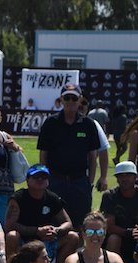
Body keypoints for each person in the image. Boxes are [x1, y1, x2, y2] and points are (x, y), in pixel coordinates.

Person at [37, 83, 102, 229]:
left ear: (80, 100)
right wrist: (46, 178)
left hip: (80, 182)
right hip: (55, 180)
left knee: (80, 223)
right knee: (52, 221)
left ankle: (78, 251)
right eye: (67, 98)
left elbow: (93, 156)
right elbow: (43, 154)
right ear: (61, 99)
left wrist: (89, 182)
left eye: (74, 98)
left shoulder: (88, 124)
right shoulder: (51, 123)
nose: (70, 101)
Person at [4, 164, 77, 263]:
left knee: (73, 237)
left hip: (47, 241)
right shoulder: (18, 198)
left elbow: (68, 223)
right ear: (27, 179)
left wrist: (55, 230)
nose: (40, 179)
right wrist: (37, 231)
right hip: (24, 242)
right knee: (12, 236)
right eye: (36, 177)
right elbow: (9, 225)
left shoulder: (52, 197)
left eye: (44, 177)